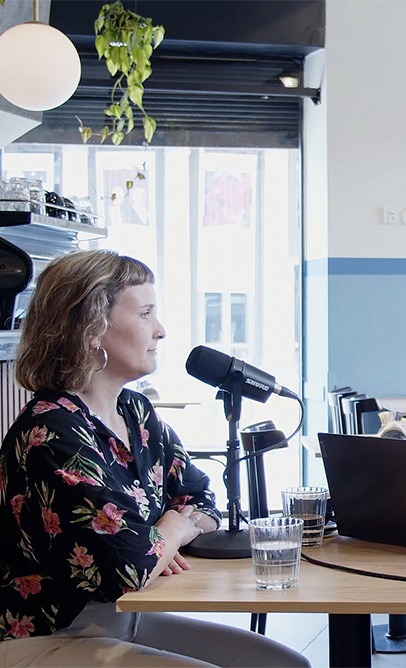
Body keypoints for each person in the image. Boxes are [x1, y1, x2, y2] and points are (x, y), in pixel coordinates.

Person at [0, 250, 309, 667]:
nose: (160, 330)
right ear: (91, 328)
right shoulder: (52, 431)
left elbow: (200, 498)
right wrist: (171, 529)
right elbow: (130, 565)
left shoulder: (135, 411)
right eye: (145, 313)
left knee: (286, 665)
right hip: (48, 634)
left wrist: (168, 533)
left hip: (120, 619)